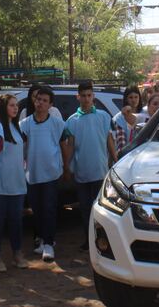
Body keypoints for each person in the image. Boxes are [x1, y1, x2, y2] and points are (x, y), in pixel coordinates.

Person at [63, 81, 116, 251]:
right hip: (82, 173)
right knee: (85, 210)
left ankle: (103, 242)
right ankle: (88, 241)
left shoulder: (103, 116)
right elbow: (70, 145)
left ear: (93, 96)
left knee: (101, 211)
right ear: (78, 97)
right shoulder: (71, 121)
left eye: (89, 95)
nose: (86, 99)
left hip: (101, 172)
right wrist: (66, 167)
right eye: (83, 95)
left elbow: (109, 140)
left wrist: (115, 159)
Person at [20, 86, 66, 262]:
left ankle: (49, 243)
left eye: (44, 100)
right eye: (38, 99)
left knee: (49, 208)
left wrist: (66, 166)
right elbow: (20, 148)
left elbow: (65, 144)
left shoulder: (57, 124)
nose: (40, 103)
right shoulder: (25, 125)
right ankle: (40, 240)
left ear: (50, 105)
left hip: (52, 173)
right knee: (37, 209)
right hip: (32, 174)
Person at [0, 94, 28, 272]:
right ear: (3, 107)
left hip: (17, 182)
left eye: (16, 106)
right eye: (11, 105)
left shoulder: (16, 126)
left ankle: (17, 253)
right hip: (0, 182)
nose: (15, 108)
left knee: (16, 220)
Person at [112, 86, 142, 154]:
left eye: (136, 97)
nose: (134, 100)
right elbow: (121, 145)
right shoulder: (119, 118)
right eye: (130, 97)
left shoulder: (145, 113)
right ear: (126, 99)